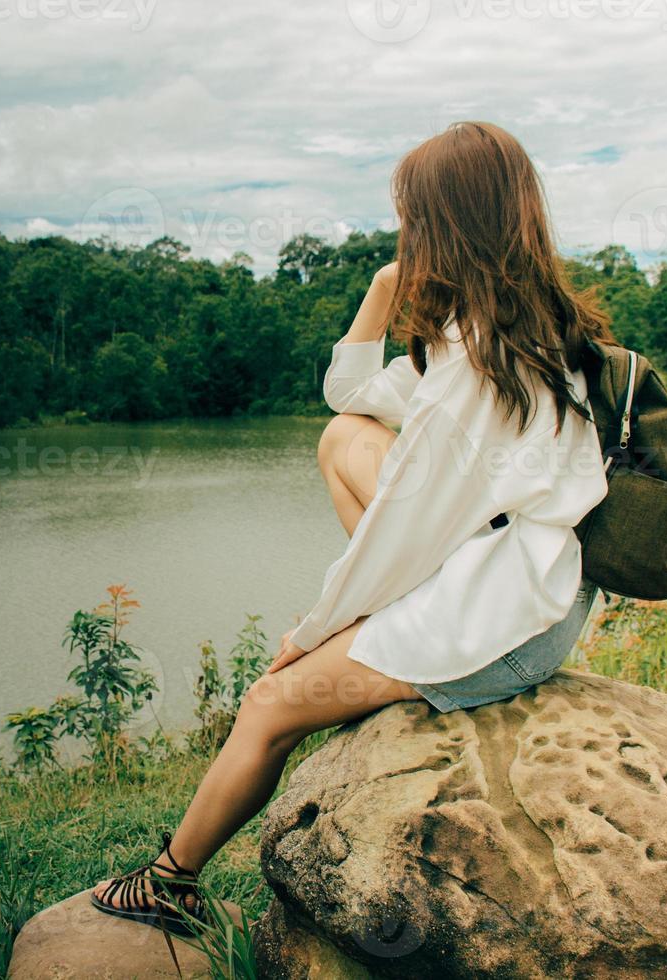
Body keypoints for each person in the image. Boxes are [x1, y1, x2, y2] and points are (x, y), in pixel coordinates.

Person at [90, 120, 615, 933]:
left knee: (268, 706)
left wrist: (316, 631)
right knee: (345, 441)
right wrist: (379, 292)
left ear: (445, 223)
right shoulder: (513, 330)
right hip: (525, 587)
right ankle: (376, 637)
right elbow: (348, 398)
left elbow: (401, 540)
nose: (405, 231)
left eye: (412, 216)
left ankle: (170, 882)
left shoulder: (475, 366)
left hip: (507, 621)